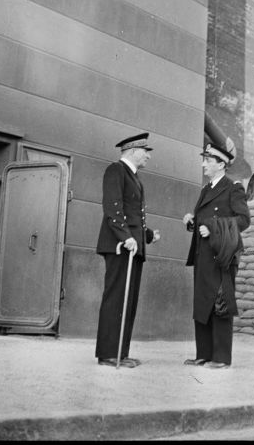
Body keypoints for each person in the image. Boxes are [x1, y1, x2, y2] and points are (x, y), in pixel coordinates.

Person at [95, 132, 160, 368]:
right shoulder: (116, 170)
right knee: (116, 299)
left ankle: (120, 352)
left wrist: (147, 236)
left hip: (132, 246)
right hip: (120, 246)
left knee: (128, 301)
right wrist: (126, 238)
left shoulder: (134, 177)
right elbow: (113, 208)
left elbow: (131, 215)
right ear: (132, 150)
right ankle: (108, 354)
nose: (148, 157)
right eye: (145, 152)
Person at [183, 142, 250, 369]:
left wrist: (213, 227)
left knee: (220, 303)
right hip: (203, 254)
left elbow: (243, 220)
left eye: (208, 160)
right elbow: (205, 220)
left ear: (221, 164)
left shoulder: (234, 188)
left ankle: (221, 357)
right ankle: (203, 354)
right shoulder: (206, 189)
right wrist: (193, 221)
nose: (203, 164)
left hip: (222, 255)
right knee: (202, 302)